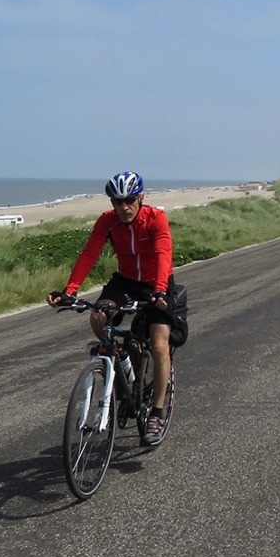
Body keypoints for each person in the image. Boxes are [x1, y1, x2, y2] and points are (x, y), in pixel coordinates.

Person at [48, 171, 175, 446]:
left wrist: (160, 290)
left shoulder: (155, 219)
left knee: (159, 344)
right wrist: (70, 291)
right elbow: (89, 254)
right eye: (117, 202)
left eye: (129, 200)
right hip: (125, 282)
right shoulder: (107, 222)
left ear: (141, 197)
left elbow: (164, 254)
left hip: (156, 283)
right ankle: (121, 369)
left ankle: (157, 411)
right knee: (98, 316)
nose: (123, 207)